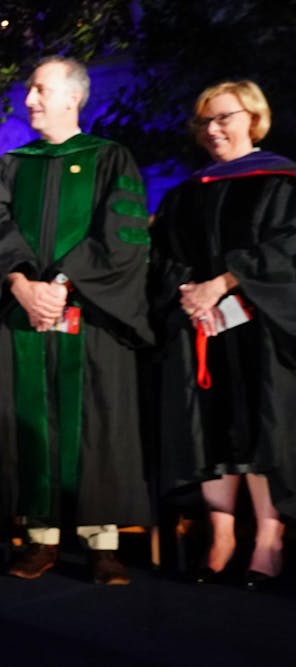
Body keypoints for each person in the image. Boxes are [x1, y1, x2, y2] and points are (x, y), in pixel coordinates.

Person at [0, 56, 153, 584]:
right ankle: (40, 537)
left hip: (91, 318)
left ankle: (103, 542)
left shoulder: (110, 158)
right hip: (24, 314)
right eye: (29, 89)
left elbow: (124, 237)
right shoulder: (11, 165)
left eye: (39, 89)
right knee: (29, 423)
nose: (28, 99)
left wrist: (63, 284)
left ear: (73, 97)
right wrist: (21, 284)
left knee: (97, 421)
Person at [149, 80, 296, 590]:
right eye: (204, 121)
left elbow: (288, 251)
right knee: (209, 430)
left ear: (253, 118)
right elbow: (162, 256)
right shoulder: (186, 193)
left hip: (263, 328)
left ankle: (269, 541)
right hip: (202, 328)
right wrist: (190, 295)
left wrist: (227, 283)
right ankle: (222, 537)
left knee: (261, 428)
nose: (212, 130)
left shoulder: (283, 182)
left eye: (224, 118)